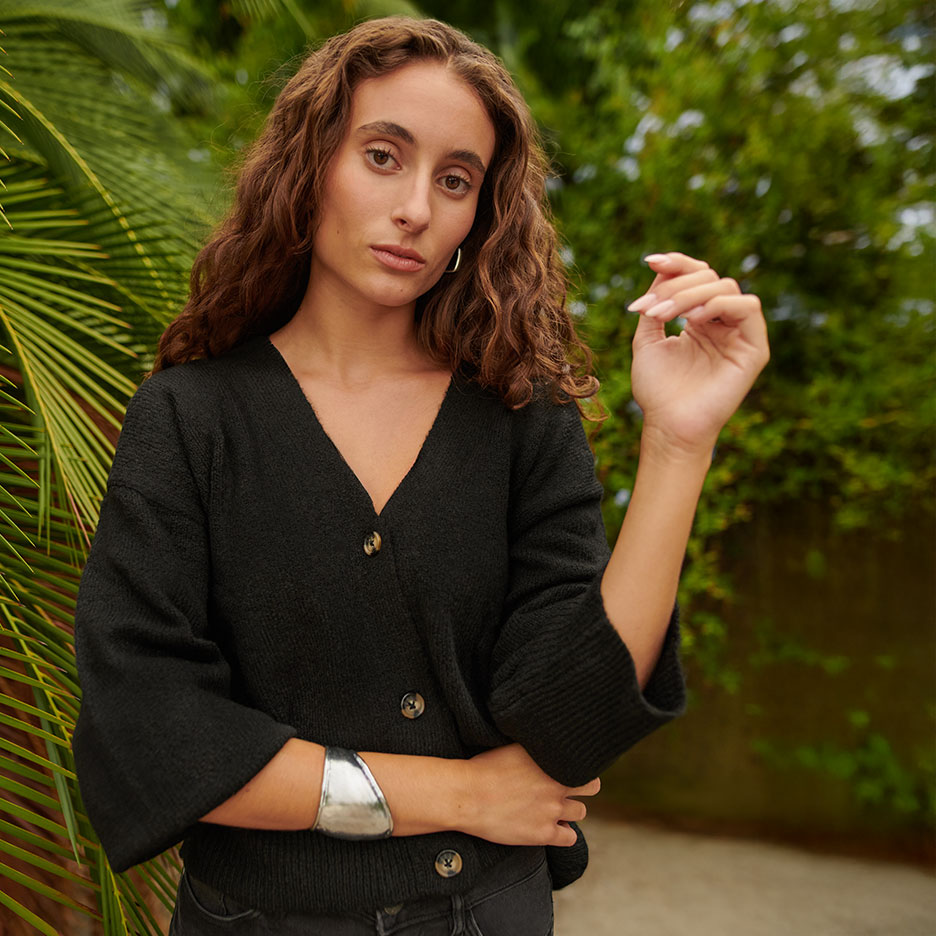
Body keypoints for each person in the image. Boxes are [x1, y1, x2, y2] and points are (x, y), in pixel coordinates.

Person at [70, 15, 769, 936]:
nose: (416, 209)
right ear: (310, 165)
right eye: (383, 156)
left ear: (480, 214)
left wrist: (678, 444)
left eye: (455, 180)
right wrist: (457, 794)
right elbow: (149, 730)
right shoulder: (190, 418)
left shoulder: (522, 416)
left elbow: (573, 717)